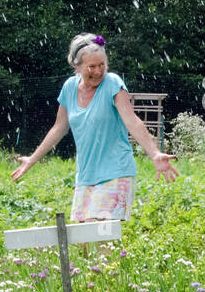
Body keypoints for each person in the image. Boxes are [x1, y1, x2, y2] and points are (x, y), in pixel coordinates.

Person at [11, 33, 178, 221]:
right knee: (84, 240)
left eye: (102, 65)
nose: (98, 71)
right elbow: (59, 128)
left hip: (116, 172)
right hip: (86, 176)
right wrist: (32, 159)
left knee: (102, 238)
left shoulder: (113, 84)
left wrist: (154, 153)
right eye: (92, 66)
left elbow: (132, 120)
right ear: (77, 66)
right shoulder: (69, 88)